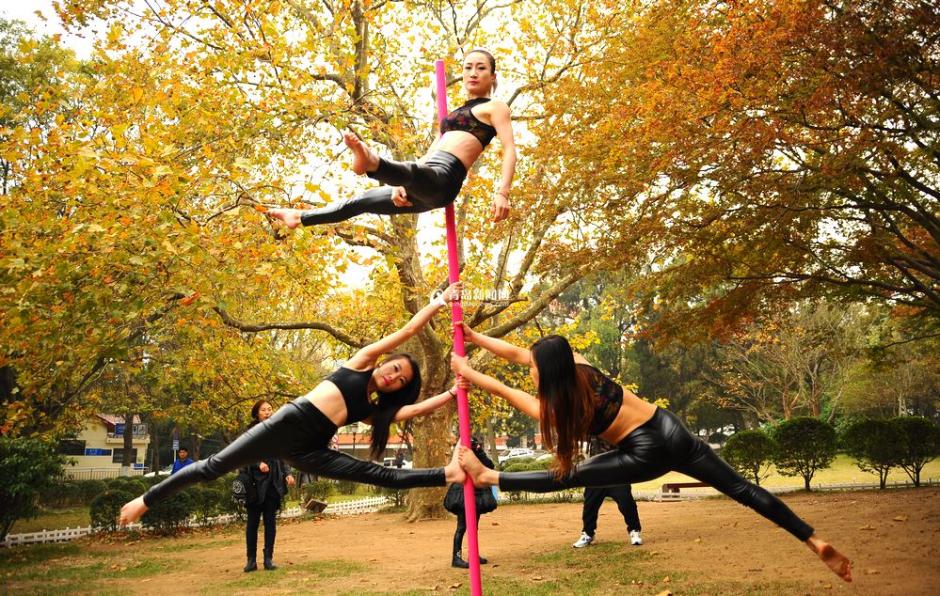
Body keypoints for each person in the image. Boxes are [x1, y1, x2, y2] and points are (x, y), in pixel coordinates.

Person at [450, 327, 852, 583]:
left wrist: (468, 372)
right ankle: (813, 540)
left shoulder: (559, 410)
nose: (529, 368)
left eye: (534, 367)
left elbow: (507, 391)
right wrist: (474, 337)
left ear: (547, 372)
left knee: (568, 476)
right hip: (670, 429)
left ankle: (489, 477)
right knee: (743, 490)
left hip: (643, 453)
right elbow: (518, 354)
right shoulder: (581, 365)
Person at [118, 282, 469, 526]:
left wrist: (454, 392)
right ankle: (144, 501)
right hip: (282, 427)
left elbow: (417, 410)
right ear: (383, 362)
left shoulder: (373, 409)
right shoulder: (361, 362)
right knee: (211, 468)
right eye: (395, 369)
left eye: (401, 380)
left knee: (380, 475)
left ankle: (447, 474)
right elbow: (408, 331)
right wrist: (438, 302)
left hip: (309, 451)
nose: (393, 377)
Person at [265, 48, 516, 228]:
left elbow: (509, 149)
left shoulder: (495, 107)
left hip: (444, 180)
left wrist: (502, 193)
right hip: (424, 176)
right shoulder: (451, 115)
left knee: (409, 172)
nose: (473, 73)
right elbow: (428, 155)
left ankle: (371, 161)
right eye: (468, 67)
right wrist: (400, 184)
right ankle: (299, 218)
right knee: (361, 201)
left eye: (481, 68)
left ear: (492, 76)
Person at [243, 400, 296, 572]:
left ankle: (268, 559)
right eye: (263, 410)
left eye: (269, 409)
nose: (267, 412)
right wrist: (258, 463)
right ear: (257, 413)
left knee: (270, 523)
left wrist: (287, 473)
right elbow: (244, 455)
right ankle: (251, 560)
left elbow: (282, 456)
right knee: (252, 524)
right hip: (254, 485)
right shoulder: (250, 432)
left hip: (273, 484)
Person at [572, 438, 642, 549]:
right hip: (596, 472)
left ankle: (634, 530)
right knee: (589, 505)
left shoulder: (617, 428)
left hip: (617, 472)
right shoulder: (593, 429)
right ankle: (588, 534)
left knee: (626, 502)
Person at [446, 436, 496, 569]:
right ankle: (456, 558)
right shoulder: (460, 453)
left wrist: (479, 452)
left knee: (474, 527)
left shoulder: (475, 453)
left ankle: (473, 554)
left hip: (477, 495)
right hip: (462, 495)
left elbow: (490, 466)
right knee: (462, 528)